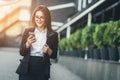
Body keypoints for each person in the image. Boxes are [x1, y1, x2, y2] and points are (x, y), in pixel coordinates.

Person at [16, 5, 58, 80]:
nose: (39, 20)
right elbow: (21, 52)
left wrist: (48, 50)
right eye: (36, 17)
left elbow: (54, 55)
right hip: (26, 67)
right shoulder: (27, 31)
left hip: (42, 69)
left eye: (42, 17)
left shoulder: (53, 34)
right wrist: (28, 44)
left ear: (47, 18)